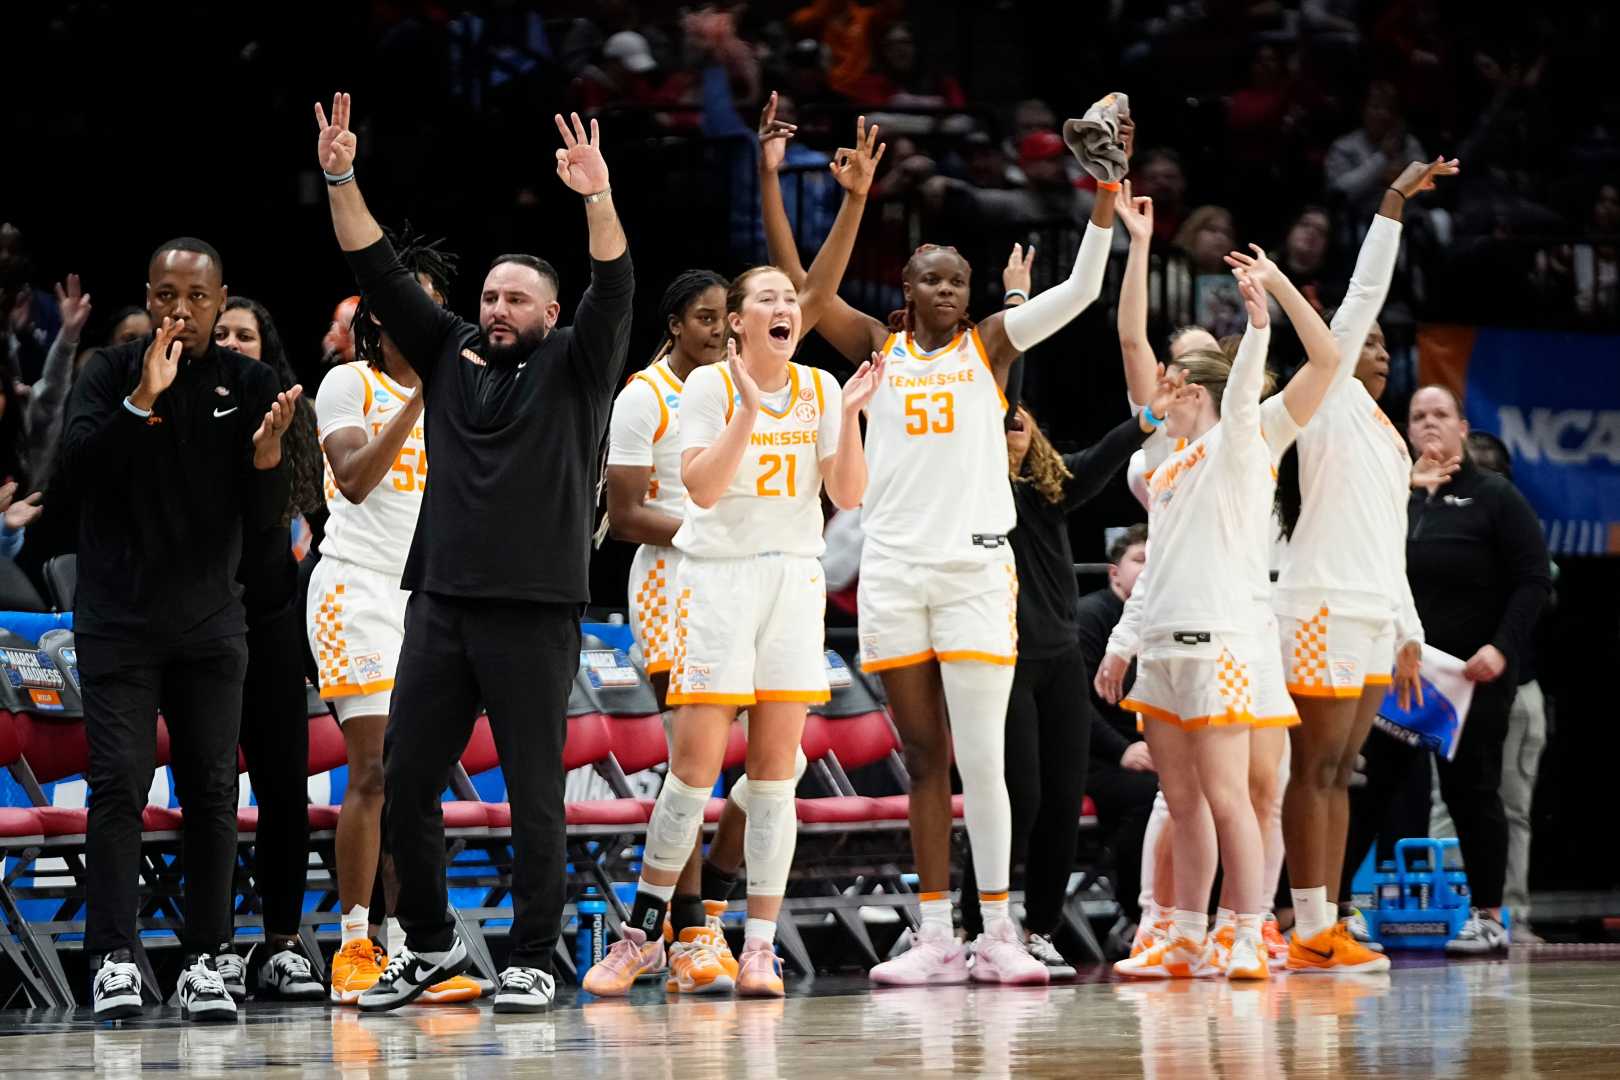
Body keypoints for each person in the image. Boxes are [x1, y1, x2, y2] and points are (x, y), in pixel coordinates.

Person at [762, 94, 1137, 986]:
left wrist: (1105, 190)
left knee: (984, 760)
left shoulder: (991, 345)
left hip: (974, 568)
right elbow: (804, 299)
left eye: (958, 283)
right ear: (908, 286)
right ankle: (933, 934)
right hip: (892, 569)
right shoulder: (876, 347)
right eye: (932, 279)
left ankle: (999, 932)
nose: (946, 292)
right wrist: (799, 191)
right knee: (925, 759)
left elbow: (1084, 291)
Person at [315, 95, 634, 1013]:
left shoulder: (579, 362)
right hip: (441, 602)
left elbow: (615, 283)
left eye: (515, 299)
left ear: (550, 311)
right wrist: (341, 175)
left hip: (535, 609)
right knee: (405, 780)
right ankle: (429, 948)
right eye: (490, 296)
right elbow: (373, 264)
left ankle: (534, 955)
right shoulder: (449, 350)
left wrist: (596, 198)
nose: (497, 309)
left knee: (535, 793)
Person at [585, 116, 884, 1001]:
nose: (784, 309)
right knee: (691, 770)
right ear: (742, 322)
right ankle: (646, 933)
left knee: (776, 776)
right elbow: (703, 493)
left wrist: (856, 414)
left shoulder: (825, 386)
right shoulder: (706, 388)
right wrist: (751, 409)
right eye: (766, 301)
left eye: (788, 303)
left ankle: (755, 943)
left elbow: (851, 495)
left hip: (791, 580)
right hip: (713, 580)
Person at [61, 237, 301, 1021]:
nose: (181, 312)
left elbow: (265, 533)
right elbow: (77, 478)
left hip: (209, 623)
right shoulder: (108, 371)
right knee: (120, 788)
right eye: (167, 296)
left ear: (221, 298)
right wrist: (142, 403)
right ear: (149, 295)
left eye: (198, 299)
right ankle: (114, 960)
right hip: (119, 622)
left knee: (211, 794)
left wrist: (266, 463)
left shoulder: (251, 381)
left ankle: (207, 959)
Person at [1271, 158, 1459, 974]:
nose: (1376, 352)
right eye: (1366, 344)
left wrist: (1407, 629)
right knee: (1313, 768)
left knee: (1342, 771)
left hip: (1372, 616)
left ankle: (1330, 919)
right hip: (1314, 608)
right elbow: (1358, 299)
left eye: (1385, 347)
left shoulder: (1387, 438)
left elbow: (1392, 544)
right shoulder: (1328, 396)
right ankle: (1303, 920)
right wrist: (1391, 205)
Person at [1098, 267, 1301, 983]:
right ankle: (1184, 936)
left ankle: (1246, 932)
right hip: (1160, 649)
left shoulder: (1235, 449)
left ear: (1198, 392)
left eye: (1174, 388)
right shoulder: (1172, 467)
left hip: (1221, 646)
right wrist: (1123, 643)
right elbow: (1155, 570)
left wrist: (1258, 324)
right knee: (1183, 805)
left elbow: (1243, 394)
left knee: (1229, 799)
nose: (1161, 399)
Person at [306, 227, 484, 1005]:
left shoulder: (467, 392)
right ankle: (354, 943)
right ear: (379, 317)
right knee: (375, 771)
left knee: (415, 780)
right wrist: (422, 396)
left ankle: (415, 948)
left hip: (429, 595)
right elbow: (351, 479)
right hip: (356, 586)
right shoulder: (349, 384)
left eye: (432, 308)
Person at [957, 386, 1174, 980]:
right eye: (1000, 423)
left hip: (1057, 664)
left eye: (1019, 420)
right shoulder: (972, 495)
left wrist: (1149, 417)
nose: (1012, 427)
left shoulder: (1051, 489)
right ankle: (977, 925)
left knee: (1058, 803)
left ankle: (1043, 930)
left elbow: (1106, 453)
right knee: (1018, 797)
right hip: (1003, 660)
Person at [1345, 385, 1551, 954]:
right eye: (1418, 416)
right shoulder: (1393, 497)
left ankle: (1487, 916)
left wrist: (1501, 648)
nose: (1429, 424)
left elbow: (1535, 580)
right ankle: (1333, 913)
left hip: (1470, 676)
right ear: (1407, 431)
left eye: (1441, 415)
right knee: (1368, 788)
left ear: (1462, 426)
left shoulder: (1496, 498)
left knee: (1473, 793)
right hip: (1400, 673)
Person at [602, 269, 753, 993]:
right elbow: (626, 514)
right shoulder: (643, 396)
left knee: (761, 768)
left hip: (743, 584)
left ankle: (707, 903)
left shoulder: (742, 391)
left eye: (728, 317)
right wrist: (710, 531)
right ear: (674, 325)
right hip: (670, 584)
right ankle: (689, 929)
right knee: (691, 766)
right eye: (705, 317)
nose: (721, 330)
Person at [209, 296, 327, 1002]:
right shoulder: (184, 412)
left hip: (274, 616)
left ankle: (281, 943)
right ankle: (213, 948)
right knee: (212, 791)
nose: (230, 342)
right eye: (222, 333)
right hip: (200, 619)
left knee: (284, 788)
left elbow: (307, 513)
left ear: (265, 346)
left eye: (244, 334)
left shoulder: (296, 414)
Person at [1427, 430, 1552, 943]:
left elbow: (1539, 588)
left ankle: (1509, 915)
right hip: (1440, 685)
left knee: (1507, 806)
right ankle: (1452, 910)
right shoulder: (1429, 521)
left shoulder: (1512, 522)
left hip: (1512, 690)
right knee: (1445, 805)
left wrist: (1500, 645)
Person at [1073, 527, 1158, 941]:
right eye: (1140, 559)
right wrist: (1122, 749)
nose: (1150, 568)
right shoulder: (1091, 615)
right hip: (1096, 756)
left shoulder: (1172, 621)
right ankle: (1137, 914)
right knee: (1150, 796)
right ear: (1114, 574)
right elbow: (1075, 702)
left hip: (1158, 749)